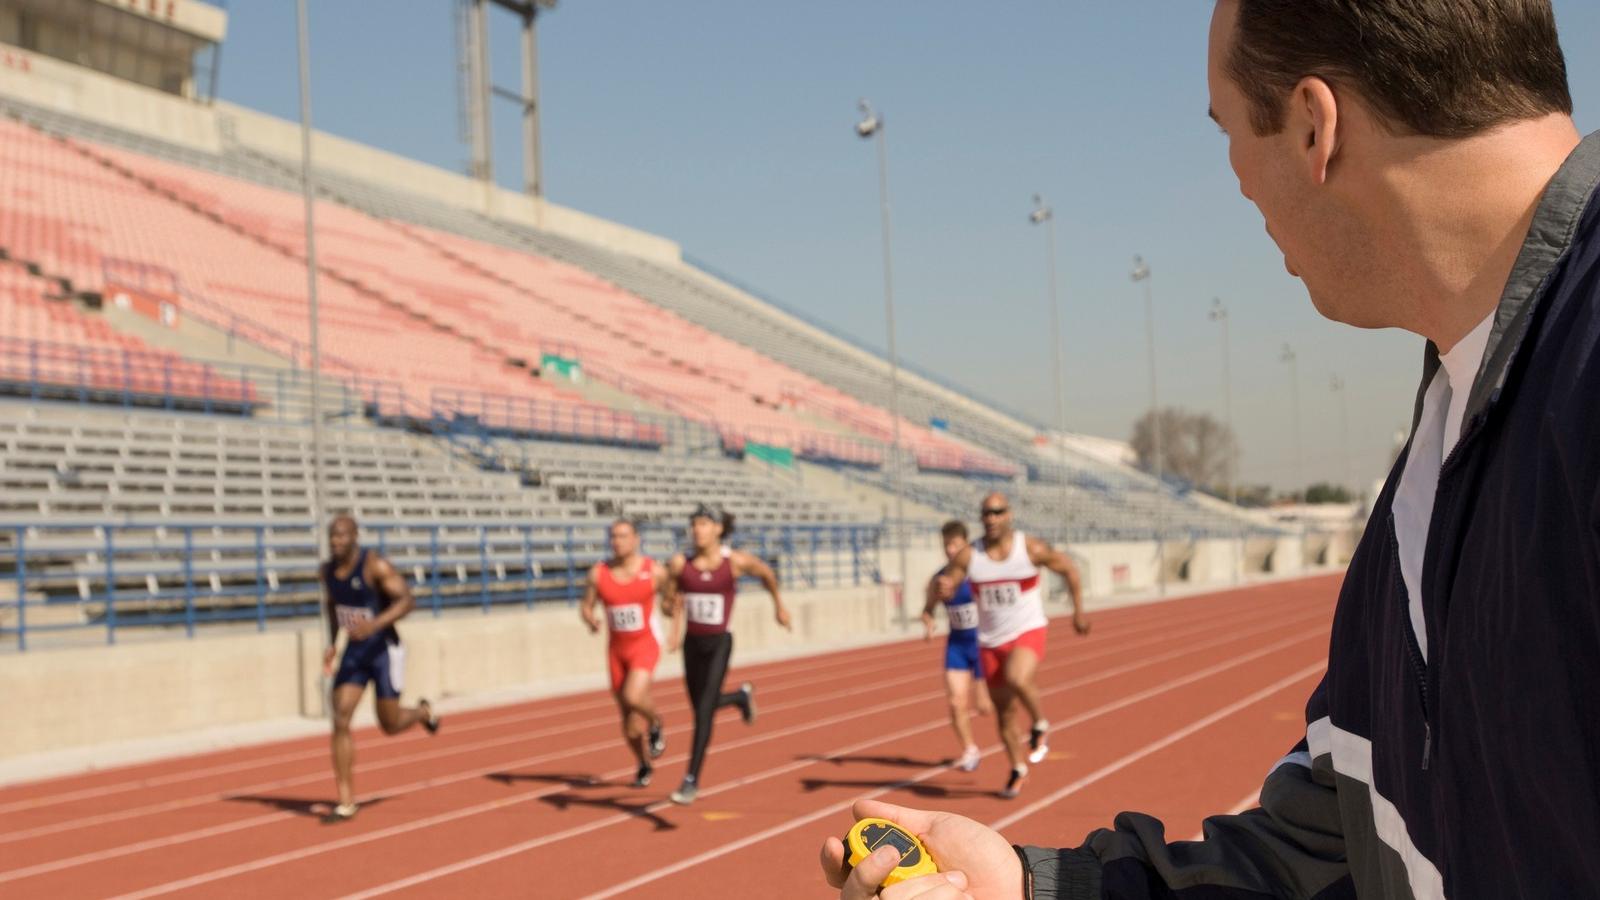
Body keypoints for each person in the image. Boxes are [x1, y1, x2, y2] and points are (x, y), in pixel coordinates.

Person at [822, 0, 1600, 896]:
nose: (1236, 185)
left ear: (1313, 124)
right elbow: (1333, 851)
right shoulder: (1436, 463)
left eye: (1226, 132)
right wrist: (1038, 891)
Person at [665, 503, 792, 805]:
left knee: (704, 713)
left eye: (704, 524)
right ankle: (740, 696)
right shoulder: (680, 564)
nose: (698, 529)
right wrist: (671, 617)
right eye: (694, 524)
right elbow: (670, 599)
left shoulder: (734, 562)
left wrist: (778, 605)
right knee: (700, 707)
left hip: (719, 642)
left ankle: (690, 779)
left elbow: (766, 573)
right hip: (692, 644)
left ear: (718, 529)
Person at [320, 515, 438, 824]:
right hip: (355, 653)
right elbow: (332, 605)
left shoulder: (375, 566)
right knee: (341, 716)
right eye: (332, 536)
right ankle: (346, 801)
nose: (336, 541)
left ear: (355, 536)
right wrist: (333, 641)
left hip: (384, 650)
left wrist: (374, 623)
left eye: (342, 536)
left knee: (390, 723)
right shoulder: (327, 571)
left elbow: (407, 601)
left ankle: (422, 713)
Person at [580, 518, 670, 788]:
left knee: (634, 695)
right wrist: (590, 619)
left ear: (636, 539)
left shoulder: (654, 570)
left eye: (622, 536)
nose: (616, 542)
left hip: (645, 644)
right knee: (629, 719)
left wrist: (673, 619)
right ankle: (643, 762)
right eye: (613, 537)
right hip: (617, 650)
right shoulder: (598, 573)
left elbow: (673, 597)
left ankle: (656, 722)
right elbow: (586, 605)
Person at [920, 520, 993, 773]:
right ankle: (970, 749)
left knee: (988, 706)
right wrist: (928, 622)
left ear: (965, 544)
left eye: (955, 545)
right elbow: (928, 609)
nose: (950, 550)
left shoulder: (979, 574)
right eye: (946, 545)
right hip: (958, 646)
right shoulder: (939, 579)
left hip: (984, 646)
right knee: (955, 702)